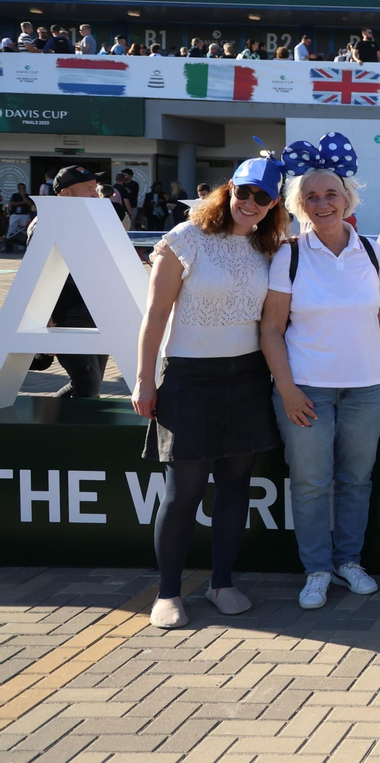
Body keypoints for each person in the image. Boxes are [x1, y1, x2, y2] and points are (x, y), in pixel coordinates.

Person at [132, 155, 289, 628]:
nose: (251, 203)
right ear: (228, 190)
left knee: (236, 488)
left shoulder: (269, 247)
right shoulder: (186, 239)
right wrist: (143, 377)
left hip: (246, 378)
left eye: (263, 197)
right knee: (184, 491)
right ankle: (167, 592)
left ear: (275, 203)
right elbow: (155, 315)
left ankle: (222, 582)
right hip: (189, 379)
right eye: (244, 192)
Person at [260, 133, 380, 610]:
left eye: (331, 195)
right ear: (298, 204)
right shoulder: (290, 254)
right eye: (312, 196)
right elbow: (271, 329)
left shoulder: (371, 251)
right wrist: (286, 389)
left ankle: (348, 561)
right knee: (309, 481)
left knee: (355, 480)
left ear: (348, 199)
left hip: (366, 388)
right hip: (307, 390)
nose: (323, 203)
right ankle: (317, 570)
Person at [33, 166, 109, 397]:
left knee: (88, 386)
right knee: (87, 384)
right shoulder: (45, 223)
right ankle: (46, 426)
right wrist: (46, 321)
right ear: (65, 193)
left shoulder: (91, 223)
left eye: (95, 188)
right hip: (67, 315)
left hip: (96, 314)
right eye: (88, 188)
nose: (95, 193)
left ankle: (48, 422)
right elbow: (36, 275)